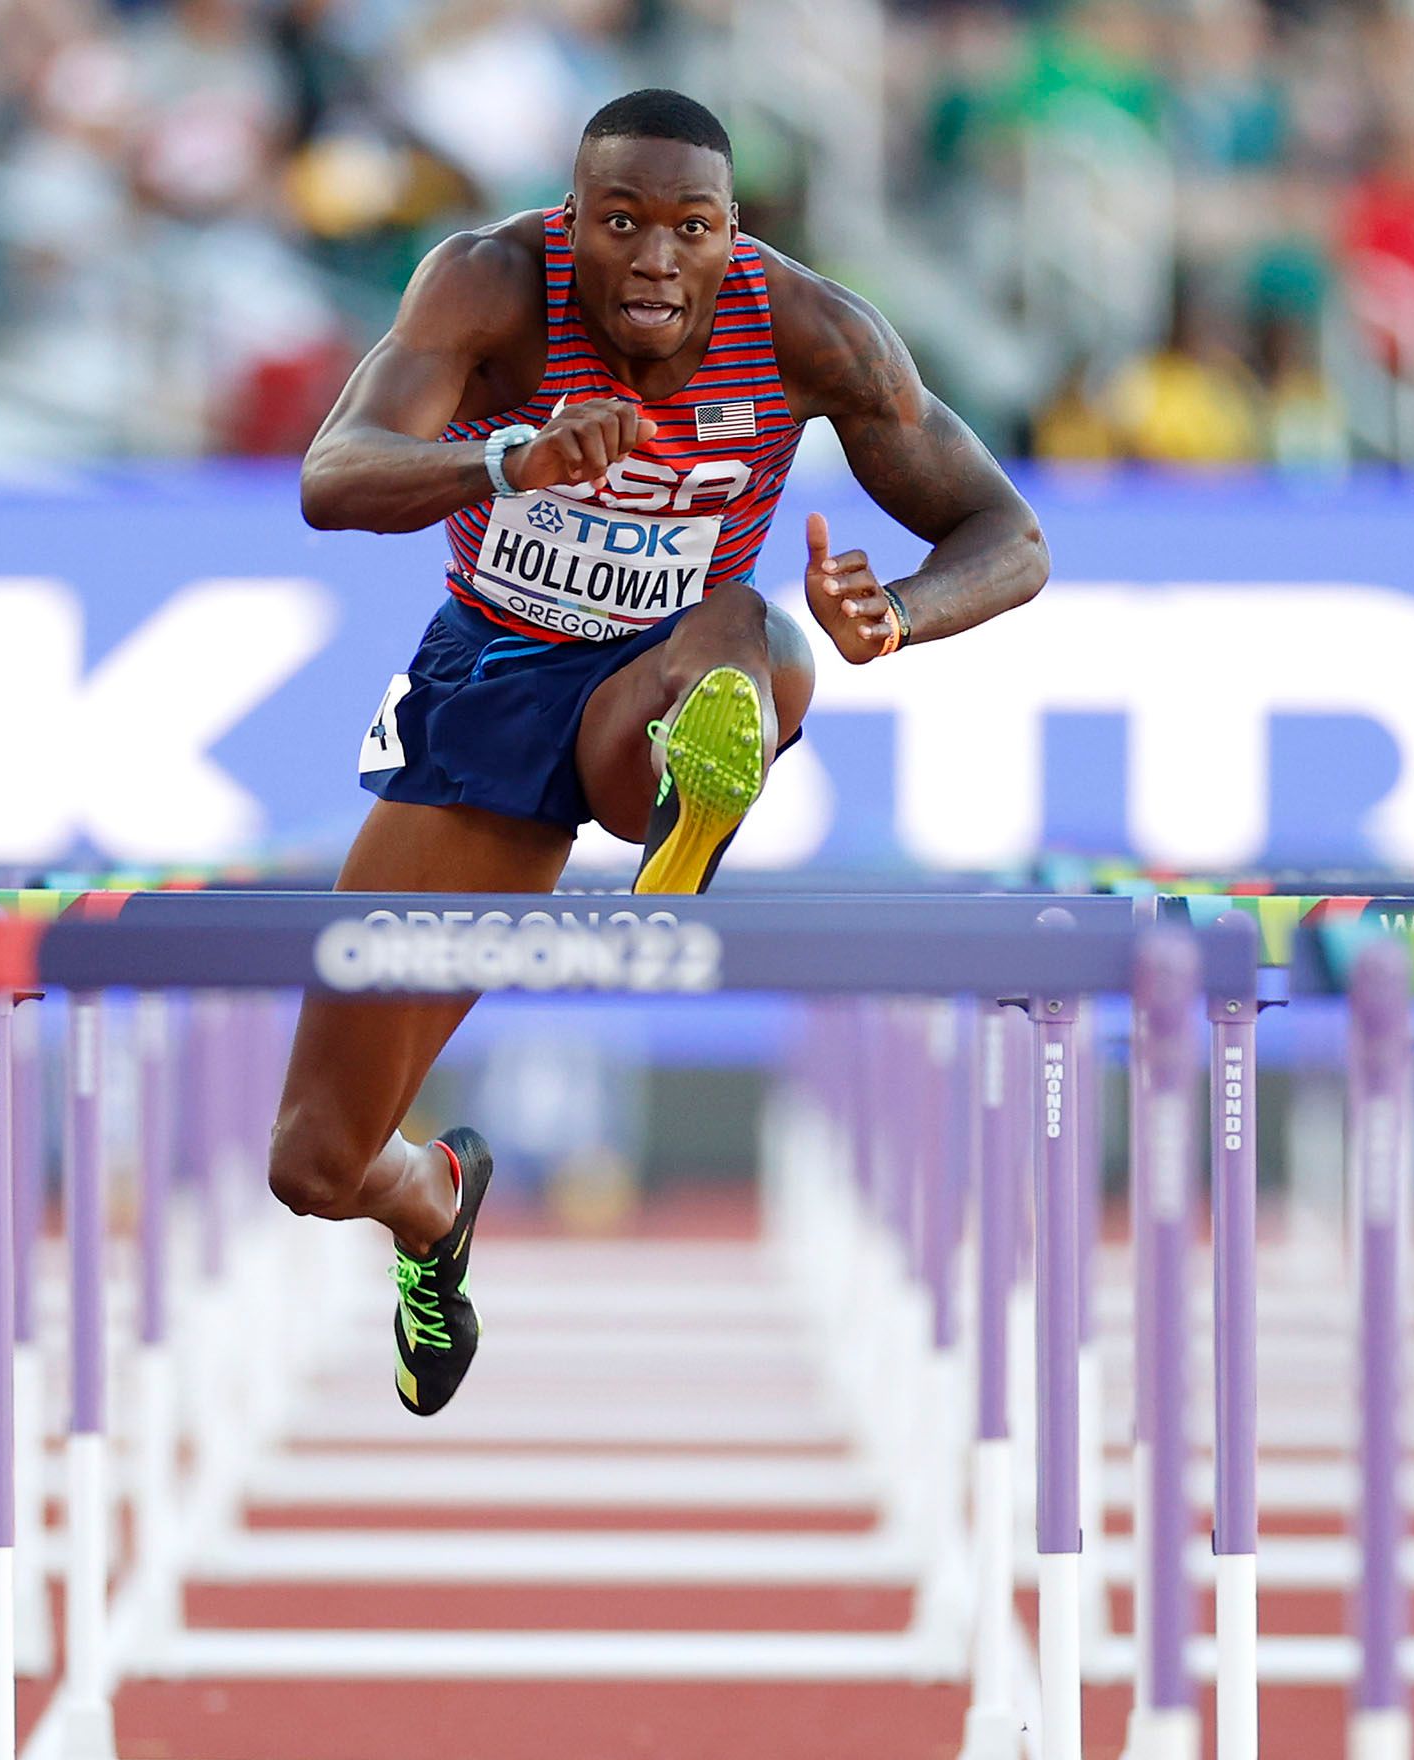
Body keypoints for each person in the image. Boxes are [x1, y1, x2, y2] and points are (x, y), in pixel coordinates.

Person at [274, 87, 1050, 1416]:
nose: (652, 257)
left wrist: (905, 613)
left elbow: (1010, 535)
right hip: (494, 681)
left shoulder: (813, 332)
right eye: (620, 222)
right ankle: (432, 1204)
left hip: (670, 673)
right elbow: (334, 477)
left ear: (731, 235)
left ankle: (695, 802)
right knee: (313, 1166)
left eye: (689, 227)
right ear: (568, 221)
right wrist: (508, 462)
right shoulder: (490, 284)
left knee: (755, 628)